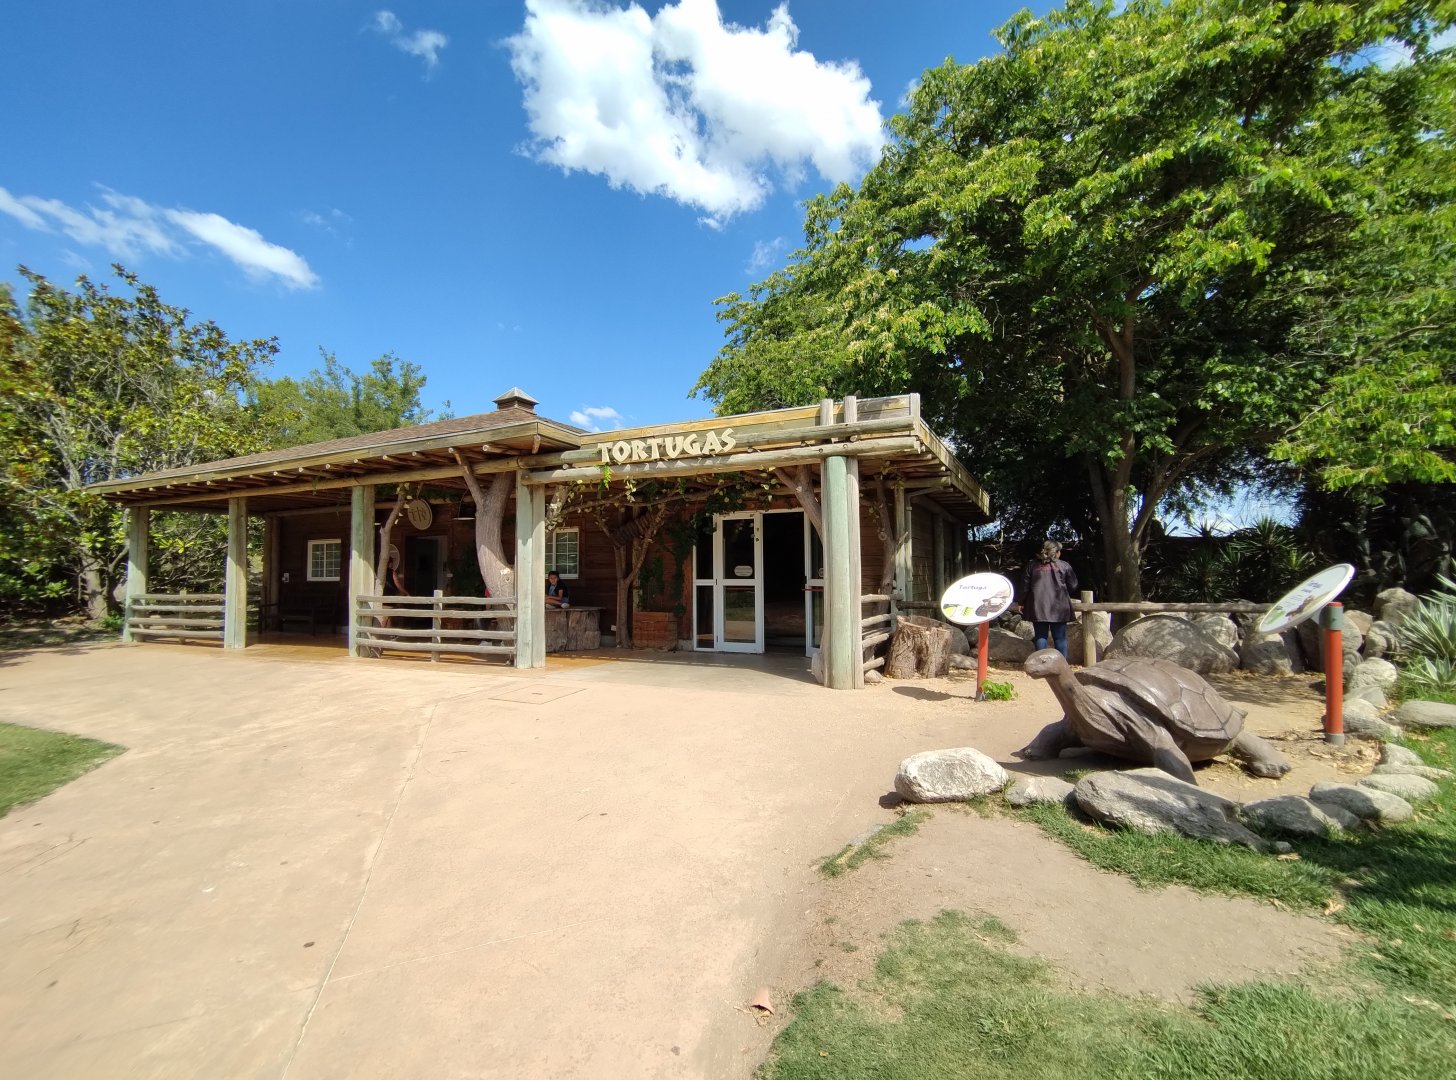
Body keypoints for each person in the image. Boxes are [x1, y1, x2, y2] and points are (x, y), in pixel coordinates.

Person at [1021, 540, 1077, 659]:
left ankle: (1041, 664)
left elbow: (1024, 587)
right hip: (1059, 606)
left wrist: (1021, 602)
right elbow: (1073, 585)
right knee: (1060, 637)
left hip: (1038, 606)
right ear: (1056, 553)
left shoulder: (1032, 565)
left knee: (1040, 636)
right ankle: (1062, 667)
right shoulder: (1064, 565)